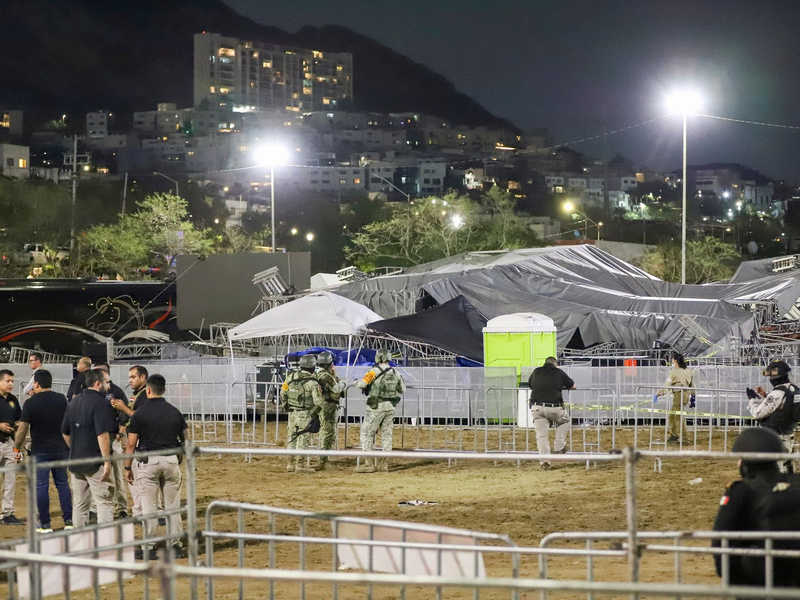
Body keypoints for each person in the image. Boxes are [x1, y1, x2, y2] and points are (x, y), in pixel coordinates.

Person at [712, 427, 800, 590]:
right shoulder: (796, 484)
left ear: (745, 463)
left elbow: (721, 546)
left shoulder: (741, 491)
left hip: (759, 583)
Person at [124, 374, 188, 560]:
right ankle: (175, 545)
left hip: (147, 462)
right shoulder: (175, 412)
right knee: (172, 506)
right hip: (170, 460)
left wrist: (127, 467)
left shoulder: (140, 414)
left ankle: (149, 547)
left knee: (149, 507)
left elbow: (131, 444)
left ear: (149, 389)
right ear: (164, 390)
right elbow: (186, 439)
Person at [15, 369, 72, 533]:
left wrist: (16, 447)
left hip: (40, 451)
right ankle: (68, 521)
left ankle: (45, 524)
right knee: (63, 484)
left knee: (41, 486)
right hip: (61, 449)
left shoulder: (30, 403)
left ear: (36, 384)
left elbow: (22, 430)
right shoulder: (61, 399)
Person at [60, 368, 117, 528]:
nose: (109, 386)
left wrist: (75, 448)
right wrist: (107, 461)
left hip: (76, 461)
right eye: (107, 382)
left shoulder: (73, 402)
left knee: (80, 505)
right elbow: (103, 435)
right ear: (98, 384)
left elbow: (65, 432)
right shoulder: (101, 403)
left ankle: (80, 546)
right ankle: (106, 545)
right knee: (104, 503)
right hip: (95, 462)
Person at [111, 365, 155, 519]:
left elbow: (140, 417)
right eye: (129, 377)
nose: (130, 380)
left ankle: (140, 514)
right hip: (140, 445)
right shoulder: (137, 394)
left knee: (138, 483)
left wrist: (123, 407)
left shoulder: (145, 396)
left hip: (141, 445)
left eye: (133, 377)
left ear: (143, 377)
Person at [354, 348, 405, 473]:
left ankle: (369, 463)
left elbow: (362, 384)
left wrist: (355, 381)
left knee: (366, 433)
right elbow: (402, 389)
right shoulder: (395, 372)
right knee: (387, 435)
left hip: (376, 407)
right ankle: (384, 464)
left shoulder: (374, 371)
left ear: (378, 358)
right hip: (391, 407)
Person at [745, 359, 799, 472]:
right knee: (788, 472)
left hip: (775, 438)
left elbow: (758, 413)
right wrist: (766, 395)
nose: (770, 378)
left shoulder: (777, 393)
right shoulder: (794, 390)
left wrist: (752, 400)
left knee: (774, 472)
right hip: (788, 435)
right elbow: (784, 406)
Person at [94, 363, 129, 519]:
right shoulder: (94, 392)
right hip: (97, 439)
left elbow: (125, 411)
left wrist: (121, 432)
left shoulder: (116, 391)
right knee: (97, 475)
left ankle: (122, 507)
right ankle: (95, 508)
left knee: (117, 474)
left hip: (113, 437)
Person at [528, 357, 575, 470]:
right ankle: (559, 447)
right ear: (556, 365)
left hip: (537, 408)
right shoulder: (559, 372)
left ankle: (544, 462)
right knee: (564, 420)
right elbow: (572, 385)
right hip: (554, 408)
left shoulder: (536, 371)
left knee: (541, 436)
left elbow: (530, 385)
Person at [280, 355, 323, 474]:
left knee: (292, 438)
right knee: (302, 438)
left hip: (292, 413)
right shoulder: (312, 383)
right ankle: (300, 464)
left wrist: (286, 406)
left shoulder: (290, 377)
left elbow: (283, 393)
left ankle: (290, 463)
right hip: (305, 413)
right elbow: (318, 401)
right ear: (313, 366)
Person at [315, 351, 346, 470]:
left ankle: (323, 457)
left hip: (320, 406)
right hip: (327, 407)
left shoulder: (316, 373)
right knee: (328, 432)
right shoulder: (325, 375)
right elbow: (337, 388)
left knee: (324, 431)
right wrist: (343, 383)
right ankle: (323, 459)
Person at [654, 353, 695, 445]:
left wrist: (658, 394)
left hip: (678, 395)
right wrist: (693, 397)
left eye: (672, 359)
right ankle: (674, 435)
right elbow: (692, 385)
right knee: (672, 415)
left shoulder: (674, 372)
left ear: (675, 361)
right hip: (686, 395)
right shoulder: (688, 371)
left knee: (678, 417)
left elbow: (667, 385)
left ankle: (684, 439)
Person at [0, 370, 23, 525]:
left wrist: (17, 447)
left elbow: (19, 419)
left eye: (12, 381)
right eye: (8, 381)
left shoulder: (13, 400)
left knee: (10, 479)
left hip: (8, 443)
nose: (11, 384)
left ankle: (7, 513)